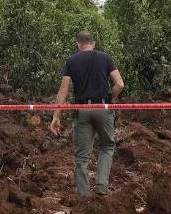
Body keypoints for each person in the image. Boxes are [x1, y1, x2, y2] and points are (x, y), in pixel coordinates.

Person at [49, 31, 124, 198]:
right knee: (107, 146)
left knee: (82, 156)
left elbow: (63, 91)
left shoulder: (71, 61)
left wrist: (56, 116)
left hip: (82, 110)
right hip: (102, 108)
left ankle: (83, 197)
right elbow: (119, 84)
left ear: (78, 45)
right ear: (93, 43)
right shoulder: (105, 58)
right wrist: (110, 98)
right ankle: (101, 186)